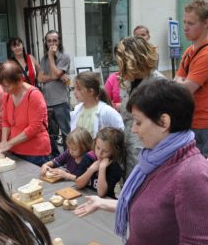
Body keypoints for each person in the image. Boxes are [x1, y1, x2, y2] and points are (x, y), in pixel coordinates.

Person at [75, 79, 208, 245]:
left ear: (164, 122)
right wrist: (105, 203)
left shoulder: (192, 173)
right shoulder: (155, 159)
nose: (133, 130)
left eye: (139, 122)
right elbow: (157, 212)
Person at [175, 0, 208, 156]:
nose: (185, 28)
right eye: (184, 22)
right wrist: (182, 82)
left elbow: (184, 90)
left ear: (206, 23)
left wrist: (183, 82)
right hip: (193, 122)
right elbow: (176, 84)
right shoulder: (189, 51)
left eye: (191, 23)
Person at [116, 36, 164, 176]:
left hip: (148, 151)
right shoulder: (127, 81)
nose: (120, 67)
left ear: (133, 60)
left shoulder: (158, 84)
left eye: (122, 62)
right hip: (128, 147)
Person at [0, 60, 50, 166]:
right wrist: (4, 142)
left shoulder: (34, 95)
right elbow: (6, 121)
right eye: (2, 86)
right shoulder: (7, 95)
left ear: (19, 81)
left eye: (7, 86)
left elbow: (34, 127)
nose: (3, 90)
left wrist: (9, 143)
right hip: (15, 150)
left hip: (35, 152)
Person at [38, 30, 71, 157]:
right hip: (47, 101)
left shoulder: (64, 57)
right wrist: (55, 76)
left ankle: (69, 158)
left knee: (65, 132)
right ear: (46, 43)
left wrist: (52, 57)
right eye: (49, 40)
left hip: (61, 101)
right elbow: (40, 78)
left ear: (59, 41)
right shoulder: (43, 59)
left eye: (55, 40)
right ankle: (56, 158)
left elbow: (56, 73)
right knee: (51, 133)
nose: (52, 43)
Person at [70, 71, 124, 139]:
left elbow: (121, 132)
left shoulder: (107, 111)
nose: (74, 92)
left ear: (90, 91)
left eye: (78, 89)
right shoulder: (77, 110)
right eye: (73, 88)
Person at [75, 127, 125, 199]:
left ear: (115, 151)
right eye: (98, 148)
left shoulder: (115, 168)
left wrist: (102, 169)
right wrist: (91, 169)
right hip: (85, 198)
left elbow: (101, 193)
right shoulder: (88, 158)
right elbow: (78, 184)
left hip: (104, 204)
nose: (99, 154)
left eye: (105, 151)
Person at [104, 44, 121, 111]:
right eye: (118, 55)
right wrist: (116, 106)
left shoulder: (140, 77)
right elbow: (104, 102)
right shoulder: (112, 78)